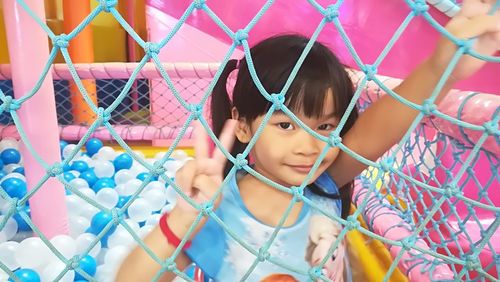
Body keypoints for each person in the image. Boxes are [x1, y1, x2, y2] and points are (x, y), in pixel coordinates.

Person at [117, 1, 500, 281]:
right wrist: (181, 220)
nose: (309, 146)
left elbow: (387, 123)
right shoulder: (218, 210)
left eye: (324, 127)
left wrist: (442, 67)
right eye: (285, 126)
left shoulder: (324, 182)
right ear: (244, 126)